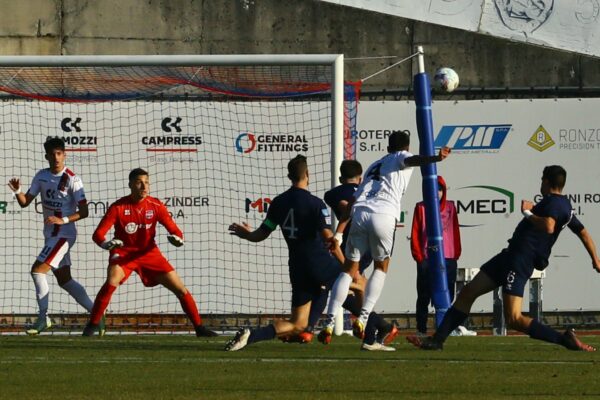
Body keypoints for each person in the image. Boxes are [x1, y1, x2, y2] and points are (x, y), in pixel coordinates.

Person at [407, 166, 600, 351]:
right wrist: (595, 259)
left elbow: (549, 226)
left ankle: (564, 339)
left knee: (513, 318)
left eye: (542, 180)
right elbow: (583, 233)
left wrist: (527, 213)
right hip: (509, 255)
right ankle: (437, 340)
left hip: (520, 260)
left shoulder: (554, 203)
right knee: (467, 293)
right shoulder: (562, 205)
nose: (540, 184)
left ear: (547, 182)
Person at [318, 130, 451, 344]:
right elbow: (415, 159)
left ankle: (330, 321)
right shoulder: (401, 157)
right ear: (405, 147)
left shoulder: (372, 166)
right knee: (381, 267)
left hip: (360, 214)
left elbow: (352, 202)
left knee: (348, 270)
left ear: (387, 147)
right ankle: (362, 318)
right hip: (384, 214)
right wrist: (436, 157)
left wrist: (339, 234)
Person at [225, 155, 348, 351]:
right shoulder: (316, 203)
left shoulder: (278, 203)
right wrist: (345, 264)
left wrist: (247, 235)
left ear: (289, 176)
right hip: (317, 262)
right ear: (307, 174)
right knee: (352, 285)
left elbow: (262, 233)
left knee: (298, 322)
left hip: (297, 266)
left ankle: (251, 336)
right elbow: (327, 237)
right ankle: (375, 323)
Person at [82, 168, 216, 337]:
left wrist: (177, 239)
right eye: (139, 182)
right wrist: (106, 244)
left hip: (149, 254)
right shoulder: (118, 207)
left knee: (180, 289)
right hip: (124, 253)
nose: (143, 186)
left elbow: (176, 231)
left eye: (146, 182)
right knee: (112, 280)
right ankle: (92, 326)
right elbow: (98, 235)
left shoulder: (156, 205)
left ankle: (199, 328)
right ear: (130, 184)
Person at [282, 160, 399, 351]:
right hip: (371, 245)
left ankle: (378, 328)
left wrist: (342, 228)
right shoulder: (370, 189)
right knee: (334, 286)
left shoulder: (332, 194)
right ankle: (316, 328)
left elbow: (346, 207)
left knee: (342, 285)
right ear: (361, 177)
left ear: (340, 178)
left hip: (351, 247)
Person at [7, 137, 97, 335]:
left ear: (64, 155)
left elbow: (84, 212)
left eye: (59, 154)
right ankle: (98, 316)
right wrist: (18, 191)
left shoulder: (73, 179)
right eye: (52, 154)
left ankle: (43, 319)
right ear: (47, 156)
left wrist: (63, 220)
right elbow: (25, 202)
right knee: (65, 280)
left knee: (38, 271)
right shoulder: (41, 176)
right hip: (51, 236)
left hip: (64, 235)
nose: (56, 158)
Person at [410, 175, 474, 337]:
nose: (436, 192)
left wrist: (456, 252)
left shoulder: (451, 207)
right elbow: (416, 232)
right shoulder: (421, 207)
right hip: (426, 257)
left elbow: (455, 230)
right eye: (434, 189)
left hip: (448, 257)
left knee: (448, 293)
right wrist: (418, 256)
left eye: (440, 189)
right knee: (424, 295)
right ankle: (421, 329)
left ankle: (446, 327)